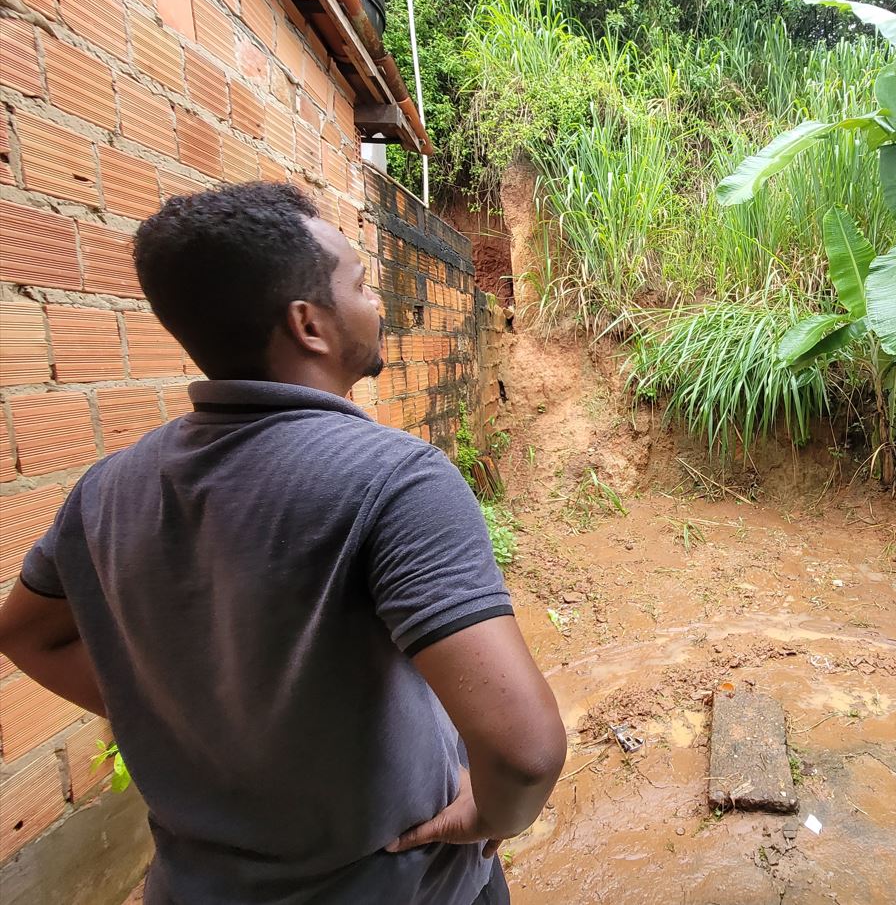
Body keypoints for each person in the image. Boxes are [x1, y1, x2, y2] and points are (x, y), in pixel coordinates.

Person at [0, 183, 567, 905]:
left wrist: (187, 719)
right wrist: (490, 815)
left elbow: (25, 633)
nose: (378, 304)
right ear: (310, 324)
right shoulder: (394, 478)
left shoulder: (104, 490)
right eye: (360, 285)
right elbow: (525, 753)